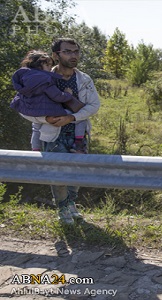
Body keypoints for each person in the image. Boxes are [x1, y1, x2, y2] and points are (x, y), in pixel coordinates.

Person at [20, 38, 100, 225]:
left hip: (78, 133)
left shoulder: (84, 79)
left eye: (76, 51)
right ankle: (62, 209)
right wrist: (45, 119)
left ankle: (71, 204)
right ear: (56, 55)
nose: (74, 56)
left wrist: (71, 118)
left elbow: (94, 105)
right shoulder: (41, 77)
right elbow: (25, 108)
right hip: (52, 135)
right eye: (68, 52)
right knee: (58, 174)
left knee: (77, 174)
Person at [10, 50, 88, 153]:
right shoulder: (45, 79)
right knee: (80, 118)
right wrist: (68, 94)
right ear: (39, 65)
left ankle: (35, 149)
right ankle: (78, 143)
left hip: (32, 110)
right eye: (48, 65)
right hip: (48, 110)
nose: (50, 68)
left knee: (36, 127)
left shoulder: (25, 78)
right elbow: (57, 96)